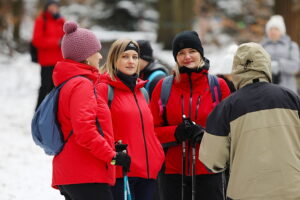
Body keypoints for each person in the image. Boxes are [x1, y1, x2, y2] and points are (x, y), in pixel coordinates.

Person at [199, 42, 300, 200]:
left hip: (246, 193)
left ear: (236, 70)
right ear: (266, 65)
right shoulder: (292, 98)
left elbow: (212, 161)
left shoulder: (226, 108)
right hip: (292, 190)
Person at [51, 21, 130, 200]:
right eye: (96, 51)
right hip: (85, 173)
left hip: (73, 171)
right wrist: (112, 156)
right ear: (86, 56)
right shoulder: (81, 85)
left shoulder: (68, 83)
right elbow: (85, 131)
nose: (100, 57)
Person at [149, 30, 231, 200]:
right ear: (176, 58)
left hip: (209, 170)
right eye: (181, 53)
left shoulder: (218, 86)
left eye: (192, 51)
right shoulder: (163, 87)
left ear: (200, 53)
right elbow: (150, 132)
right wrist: (175, 133)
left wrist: (205, 134)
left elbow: (230, 130)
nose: (187, 56)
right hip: (172, 172)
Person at [97, 39, 165, 200]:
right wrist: (113, 156)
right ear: (114, 59)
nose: (131, 61)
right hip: (121, 172)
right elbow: (95, 130)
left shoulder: (143, 92)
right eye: (125, 56)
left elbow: (150, 130)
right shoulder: (104, 89)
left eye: (135, 57)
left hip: (148, 173)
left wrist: (157, 155)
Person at [32, 0, 65, 110]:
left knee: (57, 89)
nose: (54, 9)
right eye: (51, 6)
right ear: (46, 8)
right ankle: (38, 111)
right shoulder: (41, 21)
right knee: (45, 87)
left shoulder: (62, 21)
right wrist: (56, 42)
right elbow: (37, 40)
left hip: (60, 62)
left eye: (56, 7)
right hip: (46, 61)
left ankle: (52, 113)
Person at [261, 15, 300, 94]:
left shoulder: (291, 46)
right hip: (266, 90)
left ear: (282, 31)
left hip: (287, 89)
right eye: (271, 29)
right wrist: (268, 65)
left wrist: (279, 64)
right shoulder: (261, 46)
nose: (273, 31)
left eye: (276, 29)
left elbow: (296, 65)